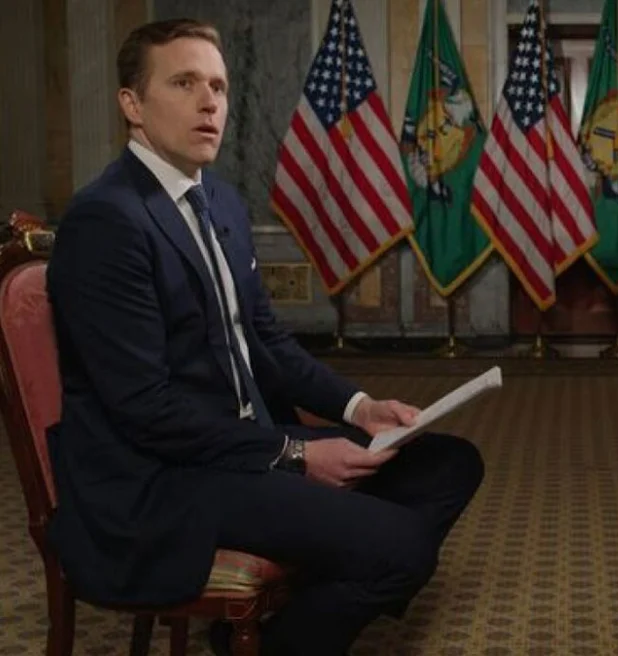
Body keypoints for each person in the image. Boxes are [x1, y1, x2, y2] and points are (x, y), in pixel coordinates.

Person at [45, 18, 483, 655]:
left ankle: (296, 601)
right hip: (166, 480)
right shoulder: (106, 221)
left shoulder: (220, 201)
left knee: (450, 465)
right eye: (184, 83)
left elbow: (268, 344)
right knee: (405, 549)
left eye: (219, 87)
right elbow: (145, 410)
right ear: (132, 105)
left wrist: (361, 407)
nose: (209, 103)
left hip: (246, 443)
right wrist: (296, 455)